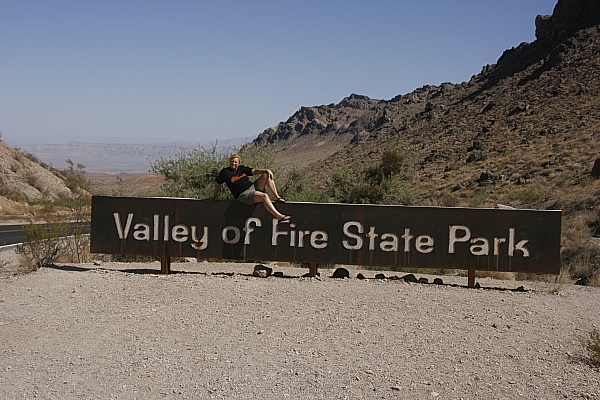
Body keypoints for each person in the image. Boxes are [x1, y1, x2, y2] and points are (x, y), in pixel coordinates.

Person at [212, 154, 291, 222]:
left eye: (235, 162)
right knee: (264, 196)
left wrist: (266, 170)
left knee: (266, 175)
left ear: (238, 163)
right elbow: (218, 184)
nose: (233, 163)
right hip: (243, 194)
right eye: (232, 161)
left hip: (252, 187)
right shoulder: (225, 172)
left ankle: (276, 197)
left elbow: (254, 171)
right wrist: (214, 197)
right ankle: (279, 216)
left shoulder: (242, 169)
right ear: (229, 162)